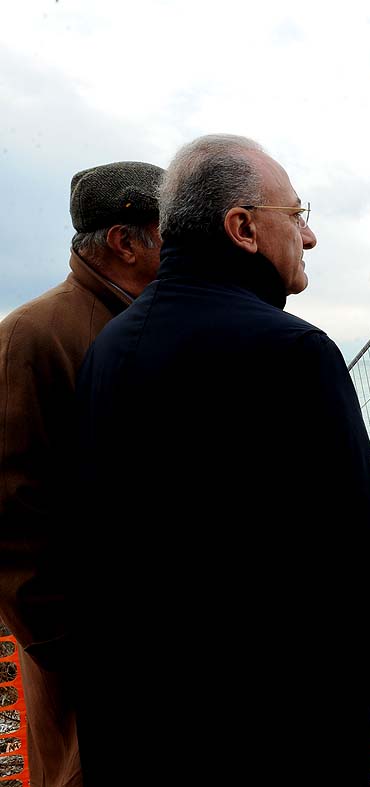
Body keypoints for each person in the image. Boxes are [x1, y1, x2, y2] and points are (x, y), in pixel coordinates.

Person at [72, 135, 370, 786]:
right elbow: (361, 555)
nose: (309, 236)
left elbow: (94, 542)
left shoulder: (111, 346)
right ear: (243, 228)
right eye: (296, 214)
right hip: (271, 735)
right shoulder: (294, 353)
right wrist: (355, 727)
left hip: (130, 729)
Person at [0, 161, 164, 787]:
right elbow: (11, 520)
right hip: (89, 663)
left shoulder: (151, 322)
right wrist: (71, 649)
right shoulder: (33, 335)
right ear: (126, 242)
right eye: (172, 230)